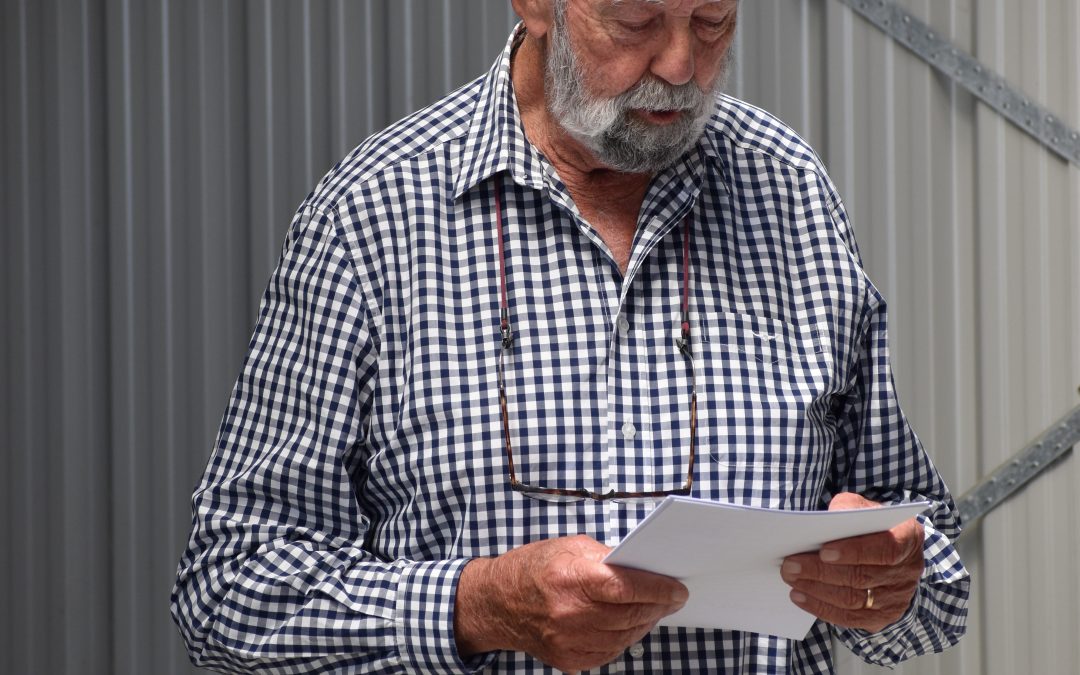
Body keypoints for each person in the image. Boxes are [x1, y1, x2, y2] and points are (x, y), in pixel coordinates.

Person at [171, 0, 969, 672]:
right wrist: (476, 606)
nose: (683, 66)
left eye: (714, 21)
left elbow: (929, 567)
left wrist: (891, 582)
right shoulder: (371, 216)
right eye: (634, 22)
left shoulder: (790, 192)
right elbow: (227, 588)